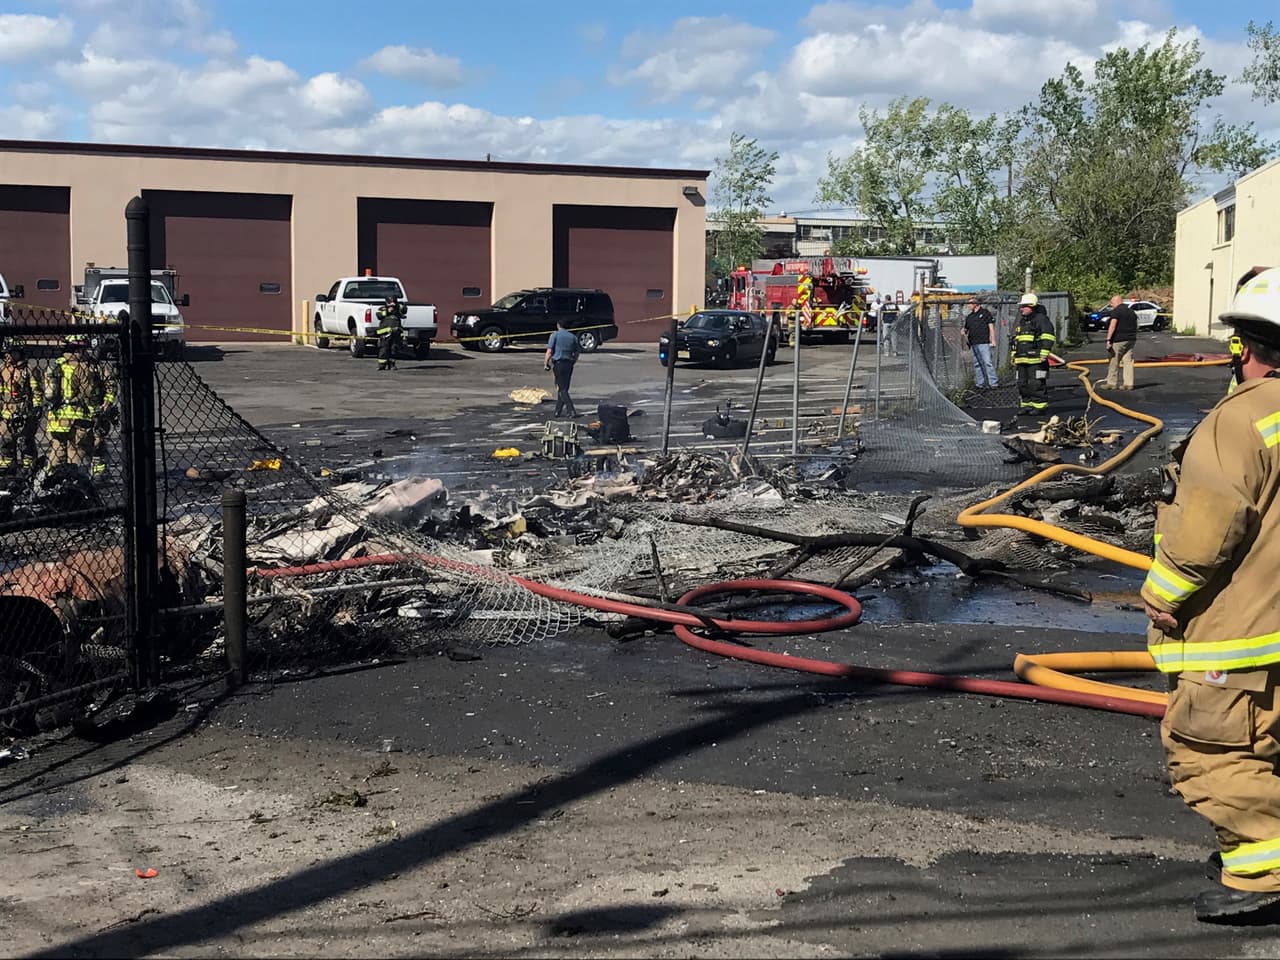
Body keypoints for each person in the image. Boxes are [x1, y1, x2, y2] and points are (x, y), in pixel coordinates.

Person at [1142, 266, 1280, 924]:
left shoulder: (1242, 418)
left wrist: (1163, 591)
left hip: (1242, 630)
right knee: (1268, 744)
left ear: (1245, 350)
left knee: (1212, 750)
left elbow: (1206, 528)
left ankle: (1264, 874)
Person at [44, 334, 106, 471]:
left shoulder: (57, 365)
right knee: (76, 453)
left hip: (58, 419)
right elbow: (90, 392)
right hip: (79, 418)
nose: (82, 352)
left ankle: (49, 482)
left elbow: (49, 394)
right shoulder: (86, 367)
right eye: (79, 349)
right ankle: (74, 483)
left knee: (57, 452)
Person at [0, 339, 42, 476]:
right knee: (5, 441)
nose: (7, 356)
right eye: (6, 353)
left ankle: (28, 468)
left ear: (18, 353)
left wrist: (36, 407)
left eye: (10, 353)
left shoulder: (28, 369)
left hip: (25, 413)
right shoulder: (2, 369)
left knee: (26, 442)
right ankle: (8, 467)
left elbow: (36, 390)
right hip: (6, 412)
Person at [1010, 292, 1056, 415]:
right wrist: (1013, 355)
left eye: (1024, 306)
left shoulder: (1041, 319)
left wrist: (1044, 353)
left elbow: (1048, 337)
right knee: (1022, 384)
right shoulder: (1022, 321)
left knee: (1036, 383)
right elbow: (1015, 340)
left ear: (1032, 306)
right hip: (1022, 359)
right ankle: (1027, 405)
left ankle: (1040, 406)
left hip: (1037, 359)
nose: (1021, 309)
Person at [543, 317, 580, 419]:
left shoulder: (554, 335)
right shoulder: (573, 337)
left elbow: (549, 351)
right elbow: (577, 353)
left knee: (561, 389)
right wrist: (573, 362)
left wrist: (545, 363)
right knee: (564, 387)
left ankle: (571, 410)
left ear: (558, 325)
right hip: (569, 364)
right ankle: (557, 411)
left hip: (559, 364)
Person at [1101, 295, 1138, 390]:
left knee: (1114, 360)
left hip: (1119, 340)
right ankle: (1128, 384)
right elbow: (1136, 325)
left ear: (1116, 302)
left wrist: (1108, 339)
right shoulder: (1131, 311)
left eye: (1112, 303)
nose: (1111, 305)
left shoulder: (1116, 311)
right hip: (1131, 339)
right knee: (1128, 361)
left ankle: (1111, 383)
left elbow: (1112, 325)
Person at [962, 296, 998, 389]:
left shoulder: (985, 313)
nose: (968, 305)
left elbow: (991, 328)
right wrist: (963, 331)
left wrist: (993, 340)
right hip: (973, 343)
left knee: (987, 362)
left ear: (975, 304)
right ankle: (980, 383)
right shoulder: (969, 317)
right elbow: (966, 328)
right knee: (977, 363)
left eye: (970, 303)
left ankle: (993, 382)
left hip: (984, 342)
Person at [376, 294, 407, 371]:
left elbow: (404, 310)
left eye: (393, 301)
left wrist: (397, 305)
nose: (391, 304)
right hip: (385, 333)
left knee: (394, 348)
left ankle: (392, 364)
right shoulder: (382, 308)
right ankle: (382, 365)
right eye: (389, 302)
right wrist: (387, 311)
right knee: (384, 349)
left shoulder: (398, 307)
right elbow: (379, 315)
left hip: (395, 332)